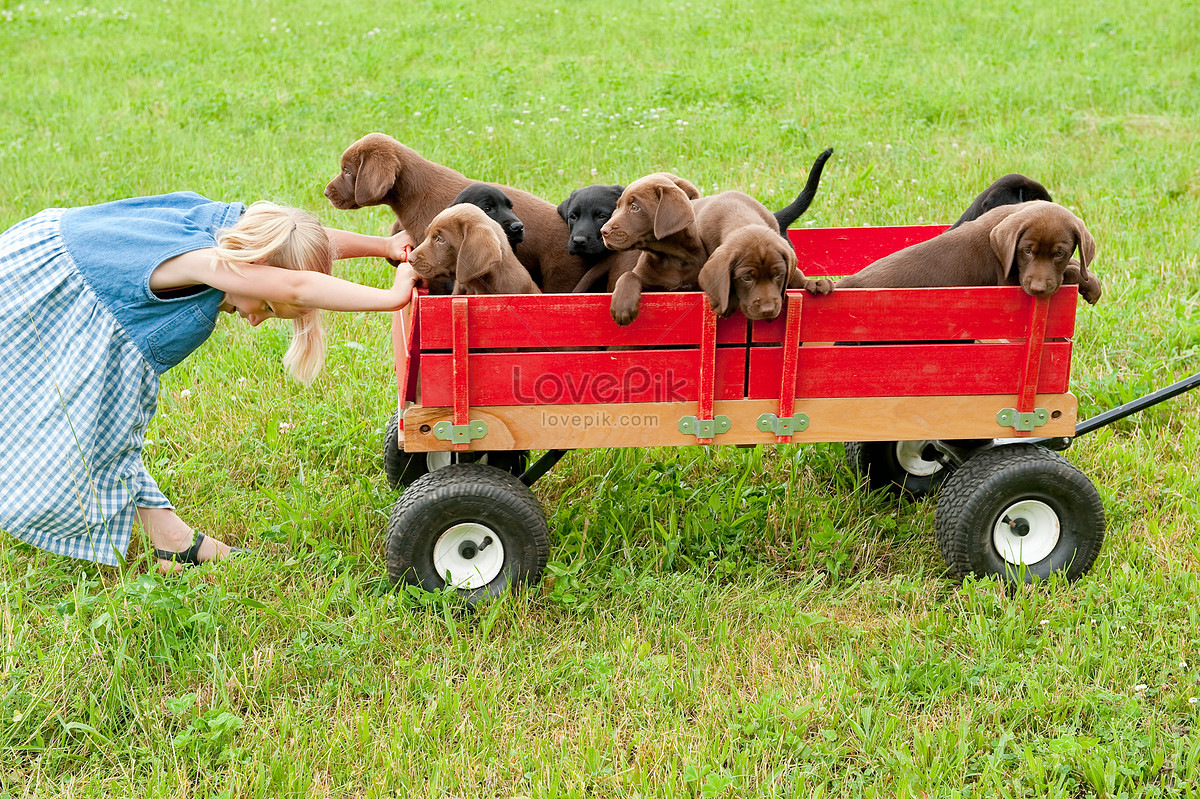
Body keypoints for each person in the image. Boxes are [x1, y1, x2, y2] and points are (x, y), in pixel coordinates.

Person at [0, 191, 417, 572]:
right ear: (257, 269)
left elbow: (300, 241)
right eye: (268, 306)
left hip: (49, 260)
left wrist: (380, 246)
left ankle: (174, 542)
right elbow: (295, 281)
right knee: (65, 427)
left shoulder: (239, 232)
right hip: (39, 293)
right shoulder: (204, 262)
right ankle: (173, 542)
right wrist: (392, 297)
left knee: (105, 428)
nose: (255, 320)